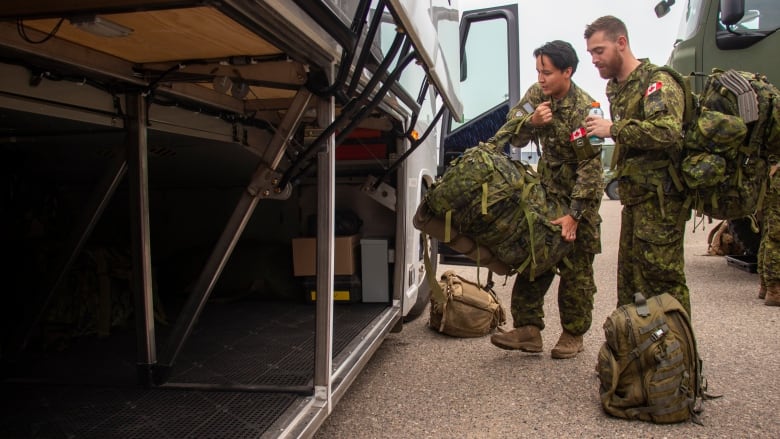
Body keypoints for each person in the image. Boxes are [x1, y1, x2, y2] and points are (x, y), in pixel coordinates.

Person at [489, 40, 603, 359]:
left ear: (567, 72)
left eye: (547, 72)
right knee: (534, 260)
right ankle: (527, 330)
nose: (540, 79)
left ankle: (572, 333)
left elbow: (591, 168)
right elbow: (511, 130)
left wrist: (575, 215)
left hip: (578, 200)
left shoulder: (588, 109)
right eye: (538, 71)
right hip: (546, 194)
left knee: (577, 271)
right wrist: (531, 122)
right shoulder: (537, 96)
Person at [583, 16, 691, 314]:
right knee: (631, 284)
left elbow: (668, 131)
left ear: (622, 43)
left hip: (660, 202)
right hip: (635, 200)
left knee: (663, 282)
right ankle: (642, 350)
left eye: (599, 50)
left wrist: (613, 129)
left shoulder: (656, 82)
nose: (594, 59)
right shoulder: (617, 87)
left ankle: (679, 355)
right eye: (591, 53)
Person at [758, 164, 780, 307]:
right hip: (776, 176)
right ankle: (774, 289)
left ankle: (766, 285)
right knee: (776, 234)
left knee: (769, 231)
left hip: (770, 175)